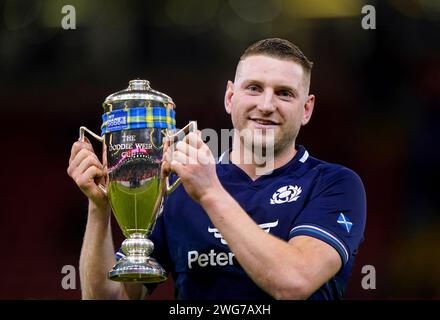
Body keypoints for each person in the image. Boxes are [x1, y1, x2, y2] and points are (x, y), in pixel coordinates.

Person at [67, 38, 366, 300]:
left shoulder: (335, 184)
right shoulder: (176, 190)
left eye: (284, 93)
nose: (266, 104)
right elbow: (109, 297)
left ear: (306, 109)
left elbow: (293, 283)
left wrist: (210, 192)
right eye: (254, 88)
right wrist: (100, 206)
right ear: (230, 97)